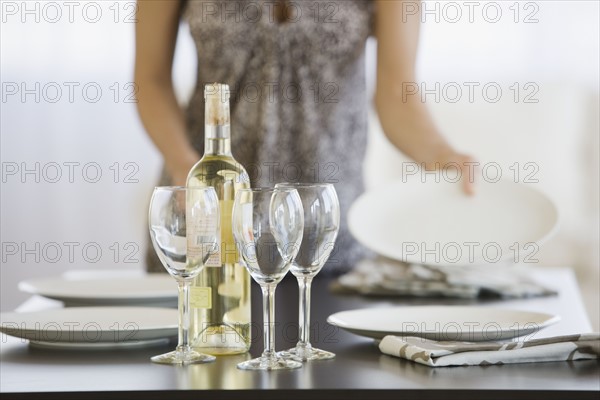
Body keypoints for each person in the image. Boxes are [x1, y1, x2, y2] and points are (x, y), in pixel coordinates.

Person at [135, 0, 475, 273]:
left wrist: (438, 153)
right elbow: (150, 79)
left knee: (330, 357)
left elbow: (397, 92)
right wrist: (184, 163)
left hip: (326, 232)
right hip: (207, 222)